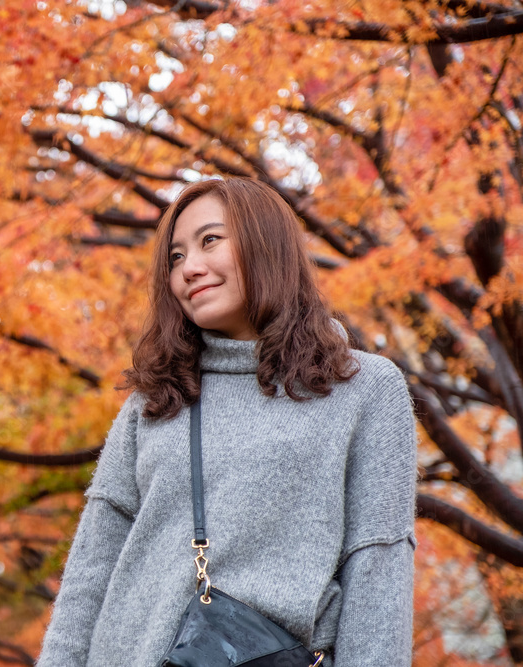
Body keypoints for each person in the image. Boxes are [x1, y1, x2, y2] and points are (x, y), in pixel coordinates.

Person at [35, 177, 418, 667]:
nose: (189, 269)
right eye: (175, 257)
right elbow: (92, 567)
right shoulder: (156, 398)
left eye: (209, 241)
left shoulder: (362, 387)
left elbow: (377, 567)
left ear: (266, 245)